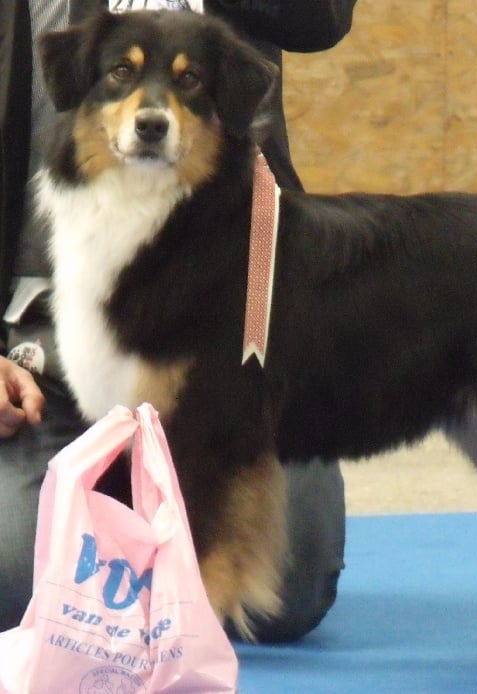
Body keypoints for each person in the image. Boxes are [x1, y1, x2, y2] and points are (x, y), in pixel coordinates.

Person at [0, 0, 357, 643]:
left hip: (230, 325)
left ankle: (163, 541)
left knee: (289, 589)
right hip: (45, 341)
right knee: (17, 579)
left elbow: (321, 17)